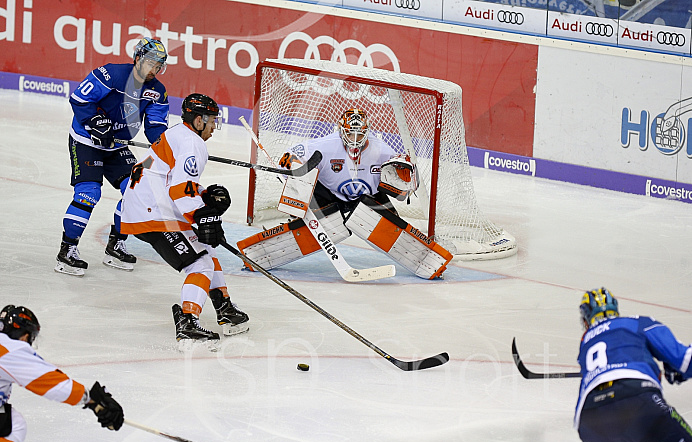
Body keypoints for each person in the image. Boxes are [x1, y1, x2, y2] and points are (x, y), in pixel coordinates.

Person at [237, 108, 453, 279]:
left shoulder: (382, 149)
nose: (355, 138)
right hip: (328, 195)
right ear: (341, 130)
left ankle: (429, 262)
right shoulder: (327, 145)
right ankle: (263, 251)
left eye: (360, 133)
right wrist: (291, 165)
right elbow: (292, 155)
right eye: (351, 132)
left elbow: (405, 177)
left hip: (367, 198)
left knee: (391, 227)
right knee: (321, 227)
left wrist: (406, 179)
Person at [120, 93, 249, 348]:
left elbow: (172, 180)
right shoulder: (193, 143)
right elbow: (179, 190)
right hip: (154, 213)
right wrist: (205, 217)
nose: (214, 127)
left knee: (207, 251)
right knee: (199, 263)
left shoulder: (178, 133)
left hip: (150, 206)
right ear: (199, 120)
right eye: (211, 121)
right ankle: (188, 323)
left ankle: (224, 309)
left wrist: (203, 195)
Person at [55, 37, 170, 277]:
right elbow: (79, 98)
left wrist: (167, 144)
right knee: (89, 193)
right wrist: (95, 121)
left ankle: (115, 244)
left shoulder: (157, 91)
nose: (154, 70)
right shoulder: (111, 74)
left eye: (159, 66)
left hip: (116, 147)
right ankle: (67, 251)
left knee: (135, 191)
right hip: (86, 142)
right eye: (151, 63)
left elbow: (156, 127)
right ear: (138, 59)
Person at [575, 287, 692, 442]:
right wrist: (675, 370)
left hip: (590, 417)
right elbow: (685, 361)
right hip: (636, 399)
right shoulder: (638, 323)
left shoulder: (586, 341)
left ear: (586, 319)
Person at [0, 304, 123, 442]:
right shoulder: (9, 348)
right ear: (24, 335)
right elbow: (50, 382)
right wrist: (92, 400)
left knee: (9, 421)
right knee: (13, 427)